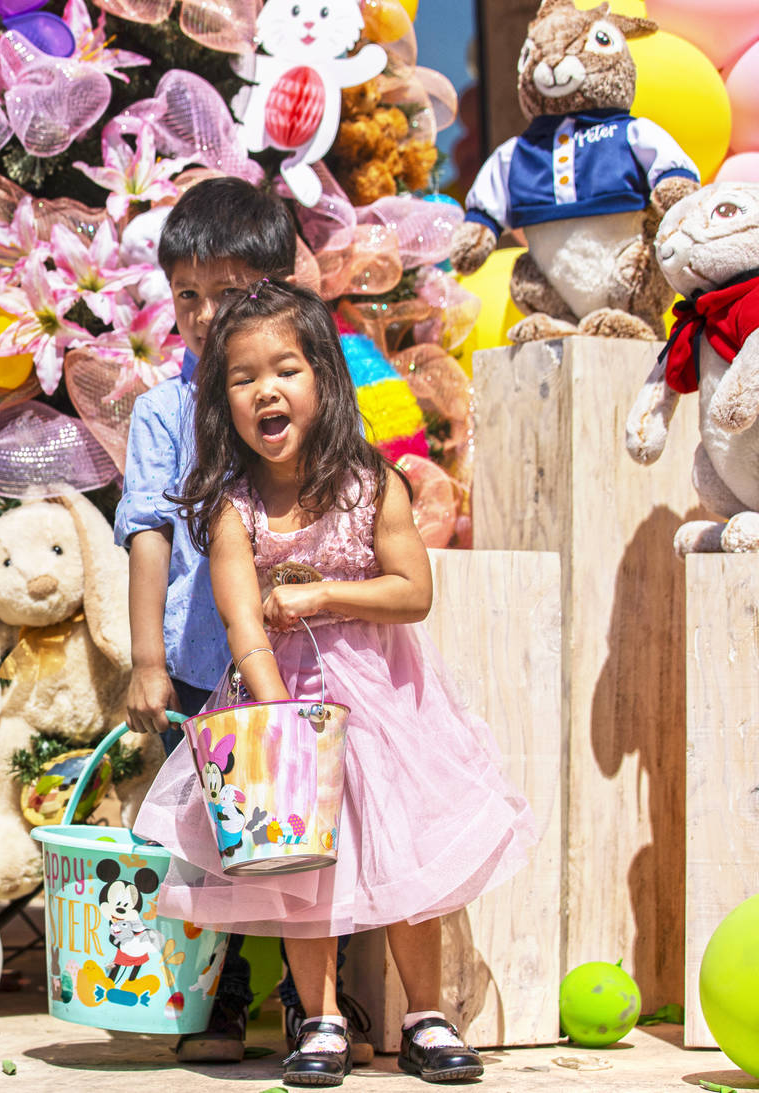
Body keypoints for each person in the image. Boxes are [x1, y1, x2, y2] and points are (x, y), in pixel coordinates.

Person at [133, 280, 538, 1087]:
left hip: (385, 707)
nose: (264, 390)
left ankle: (426, 1014)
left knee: (405, 854)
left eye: (284, 369)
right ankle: (316, 1015)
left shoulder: (369, 484)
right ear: (224, 402)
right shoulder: (231, 507)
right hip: (281, 704)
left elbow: (411, 591)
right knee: (297, 868)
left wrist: (321, 595)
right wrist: (273, 708)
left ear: (322, 375)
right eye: (242, 379)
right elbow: (242, 617)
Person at [114, 176, 298, 1063]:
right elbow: (148, 534)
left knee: (300, 823)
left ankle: (311, 994)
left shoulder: (297, 391)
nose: (201, 312)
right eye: (187, 294)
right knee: (204, 834)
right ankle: (218, 995)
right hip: (198, 655)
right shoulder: (162, 409)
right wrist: (147, 658)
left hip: (297, 652)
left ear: (278, 289)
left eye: (226, 293)